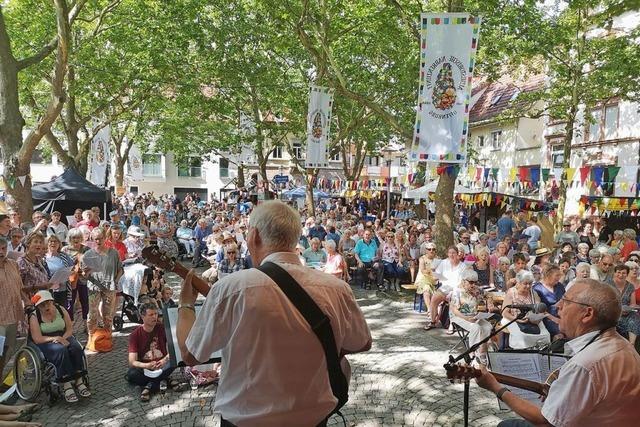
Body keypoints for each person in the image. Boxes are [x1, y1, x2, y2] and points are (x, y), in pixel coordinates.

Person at [176, 200, 372, 426]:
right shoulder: (337, 289)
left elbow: (190, 355)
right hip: (312, 420)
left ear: (254, 236)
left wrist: (185, 306)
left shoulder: (231, 288)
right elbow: (362, 342)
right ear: (295, 238)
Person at [476, 278, 640, 426]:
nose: (557, 306)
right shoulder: (625, 346)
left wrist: (495, 387)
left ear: (587, 314)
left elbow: (545, 422)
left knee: (506, 425)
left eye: (566, 301)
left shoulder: (585, 366)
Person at [28, 290, 90, 403]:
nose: (46, 306)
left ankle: (79, 380)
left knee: (76, 347)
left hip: (64, 335)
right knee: (60, 350)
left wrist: (63, 338)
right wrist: (55, 339)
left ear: (52, 301)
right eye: (42, 305)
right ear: (38, 306)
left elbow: (70, 329)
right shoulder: (34, 316)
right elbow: (37, 338)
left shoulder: (61, 309)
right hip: (45, 340)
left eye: (48, 303)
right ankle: (66, 384)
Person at [127, 301, 180, 402]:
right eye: (151, 314)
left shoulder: (162, 328)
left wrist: (165, 359)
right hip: (146, 369)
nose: (154, 317)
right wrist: (146, 366)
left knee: (175, 361)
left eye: (155, 314)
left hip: (162, 365)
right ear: (142, 317)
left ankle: (149, 387)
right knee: (131, 374)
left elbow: (174, 348)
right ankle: (164, 379)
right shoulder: (135, 335)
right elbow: (132, 361)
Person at [83, 228, 123, 347]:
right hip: (94, 286)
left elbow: (120, 269)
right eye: (95, 239)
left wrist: (116, 280)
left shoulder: (113, 253)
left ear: (105, 238)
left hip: (109, 285)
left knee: (108, 314)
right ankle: (92, 336)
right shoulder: (88, 254)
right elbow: (84, 274)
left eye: (100, 238)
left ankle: (107, 336)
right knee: (93, 313)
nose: (98, 241)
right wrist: (86, 272)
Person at [0, 237, 30, 383]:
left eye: (3, 248)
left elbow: (20, 287)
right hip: (0, 318)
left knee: (8, 351)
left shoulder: (12, 264)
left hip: (13, 314)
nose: (1, 252)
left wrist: (27, 301)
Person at [449, 270, 492, 365]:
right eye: (471, 282)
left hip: (474, 315)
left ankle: (482, 352)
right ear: (464, 281)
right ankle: (472, 353)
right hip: (459, 317)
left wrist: (489, 303)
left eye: (475, 282)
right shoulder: (457, 291)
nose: (473, 285)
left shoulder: (476, 289)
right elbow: (455, 310)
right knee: (475, 327)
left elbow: (488, 295)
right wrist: (466, 318)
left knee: (488, 326)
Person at [501, 270, 550, 349]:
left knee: (546, 336)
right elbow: (504, 312)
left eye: (530, 284)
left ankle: (540, 354)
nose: (528, 286)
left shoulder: (533, 293)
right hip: (514, 318)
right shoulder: (511, 292)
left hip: (533, 321)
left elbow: (539, 309)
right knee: (522, 337)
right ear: (518, 283)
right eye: (525, 283)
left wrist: (537, 318)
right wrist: (517, 320)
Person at [62, 228, 90, 321]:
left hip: (83, 279)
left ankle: (87, 323)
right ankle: (70, 323)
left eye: (78, 237)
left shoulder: (86, 249)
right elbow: (62, 265)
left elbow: (93, 264)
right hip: (70, 280)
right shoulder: (65, 250)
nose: (76, 240)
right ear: (69, 238)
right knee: (70, 301)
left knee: (85, 301)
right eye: (73, 237)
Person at [610, 264, 640, 346]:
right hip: (612, 313)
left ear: (627, 274)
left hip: (626, 313)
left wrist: (629, 309)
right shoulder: (608, 284)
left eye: (624, 273)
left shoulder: (630, 286)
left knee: (634, 317)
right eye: (618, 272)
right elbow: (603, 302)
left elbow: (633, 304)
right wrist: (618, 310)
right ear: (614, 273)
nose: (621, 275)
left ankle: (631, 344)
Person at [532, 265, 565, 339]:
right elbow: (539, 310)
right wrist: (554, 319)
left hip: (561, 315)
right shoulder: (537, 289)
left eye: (559, 275)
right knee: (560, 333)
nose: (559, 277)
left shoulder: (560, 286)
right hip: (547, 317)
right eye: (556, 275)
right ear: (548, 275)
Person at [17, 233, 53, 299]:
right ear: (28, 244)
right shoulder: (22, 261)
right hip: (30, 301)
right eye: (35, 242)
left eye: (40, 242)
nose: (39, 244)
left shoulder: (39, 259)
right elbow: (18, 286)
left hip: (43, 299)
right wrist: (38, 286)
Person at [44, 235, 74, 307]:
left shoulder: (64, 256)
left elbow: (71, 268)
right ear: (47, 243)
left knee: (62, 311)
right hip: (49, 290)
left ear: (59, 244)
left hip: (62, 289)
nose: (53, 243)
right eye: (51, 241)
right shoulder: (43, 257)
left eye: (55, 241)